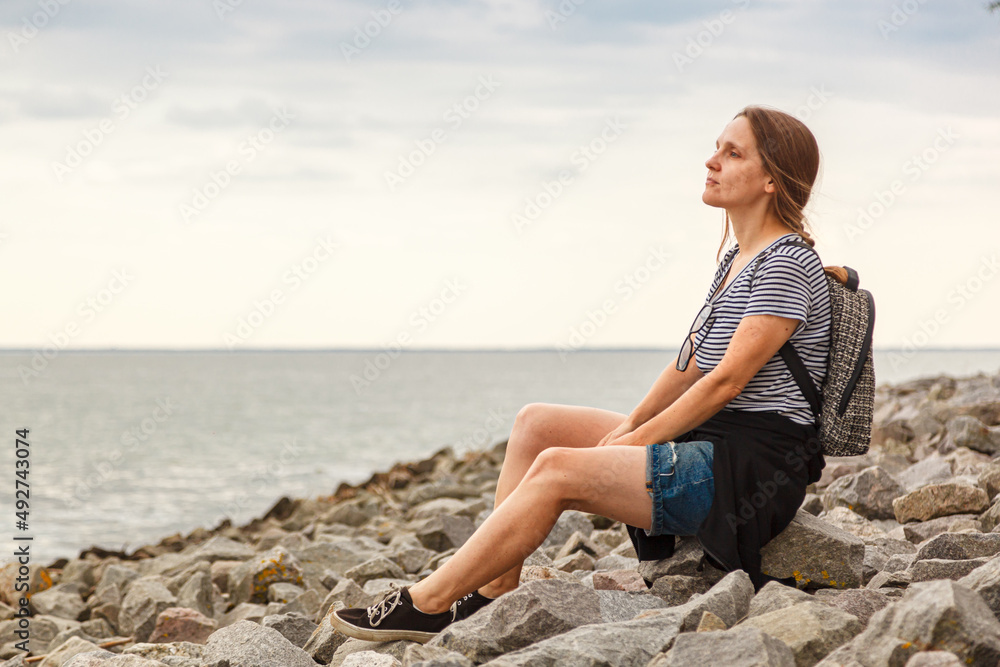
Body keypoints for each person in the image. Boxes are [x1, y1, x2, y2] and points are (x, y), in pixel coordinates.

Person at [330, 104, 833, 644]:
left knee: (556, 469)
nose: (711, 161)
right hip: (708, 443)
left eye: (733, 153)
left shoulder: (784, 263)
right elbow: (687, 366)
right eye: (717, 146)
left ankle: (426, 605)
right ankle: (496, 586)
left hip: (745, 473)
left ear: (771, 181)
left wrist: (634, 441)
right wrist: (630, 428)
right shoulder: (739, 257)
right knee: (536, 424)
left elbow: (725, 382)